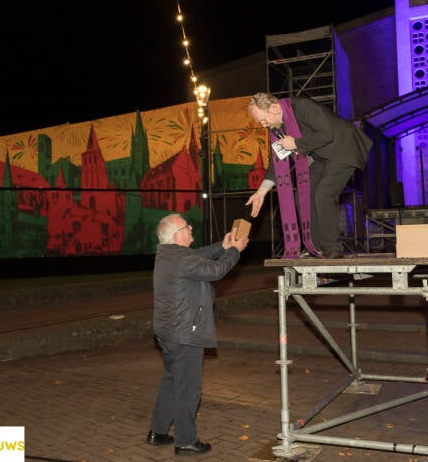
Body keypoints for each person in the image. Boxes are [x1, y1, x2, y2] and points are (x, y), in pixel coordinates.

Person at [146, 213, 249, 456]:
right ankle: (186, 441)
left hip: (169, 331)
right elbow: (216, 270)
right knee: (188, 387)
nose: (191, 227)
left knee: (172, 380)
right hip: (184, 333)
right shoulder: (181, 259)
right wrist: (234, 251)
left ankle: (158, 432)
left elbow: (199, 255)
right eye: (186, 225)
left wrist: (222, 246)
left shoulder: (168, 254)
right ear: (177, 235)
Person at [245, 92, 372, 258]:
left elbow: (327, 133)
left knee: (323, 194)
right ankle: (315, 246)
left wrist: (295, 143)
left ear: (274, 108)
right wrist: (261, 191)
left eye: (263, 119)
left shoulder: (302, 106)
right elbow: (278, 159)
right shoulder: (278, 128)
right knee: (303, 195)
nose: (263, 125)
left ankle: (332, 248)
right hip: (323, 156)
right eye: (260, 122)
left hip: (344, 148)